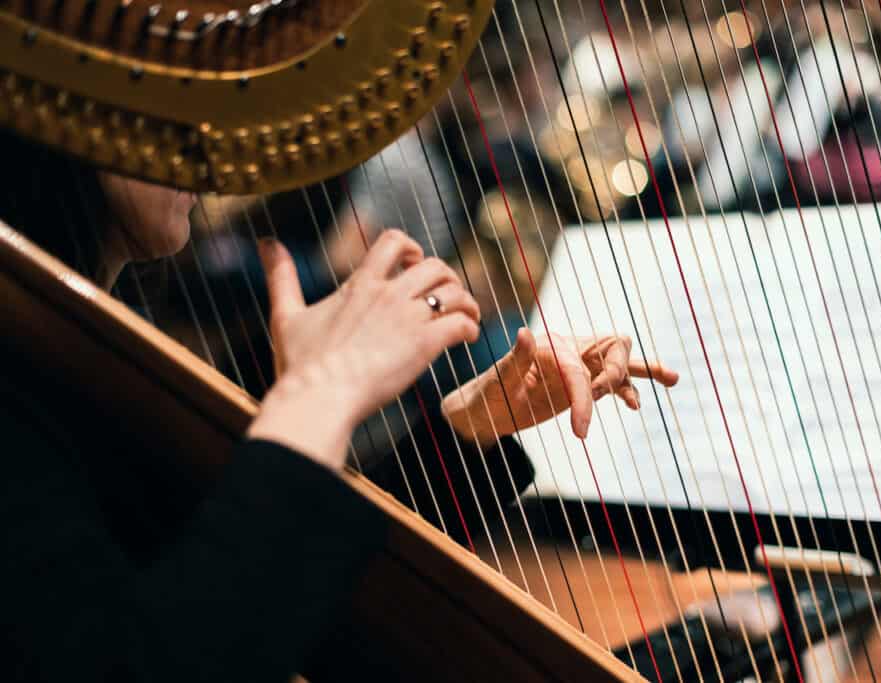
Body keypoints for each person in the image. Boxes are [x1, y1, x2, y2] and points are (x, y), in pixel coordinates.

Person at [0, 132, 678, 682]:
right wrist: (323, 390)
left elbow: (290, 607)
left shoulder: (81, 350)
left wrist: (468, 436)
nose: (205, 131)